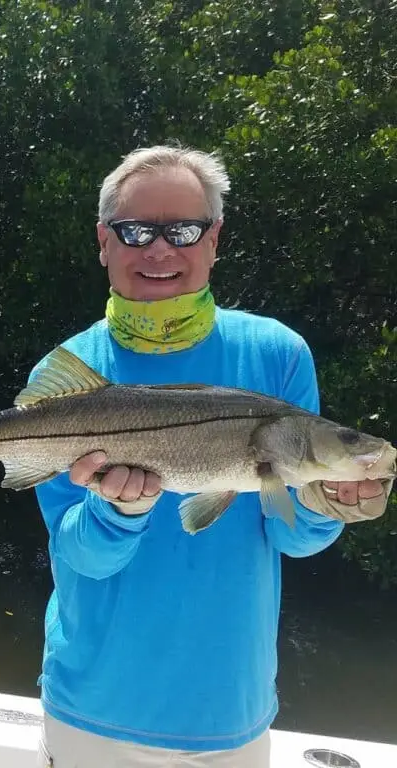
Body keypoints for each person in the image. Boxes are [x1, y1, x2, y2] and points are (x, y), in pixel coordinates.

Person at [31, 144, 392, 767]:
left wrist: (328, 504)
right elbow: (78, 556)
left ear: (215, 238)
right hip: (92, 709)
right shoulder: (68, 376)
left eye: (185, 229)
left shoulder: (278, 355)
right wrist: (120, 512)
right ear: (104, 242)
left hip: (231, 712)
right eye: (137, 230)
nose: (160, 250)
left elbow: (293, 540)